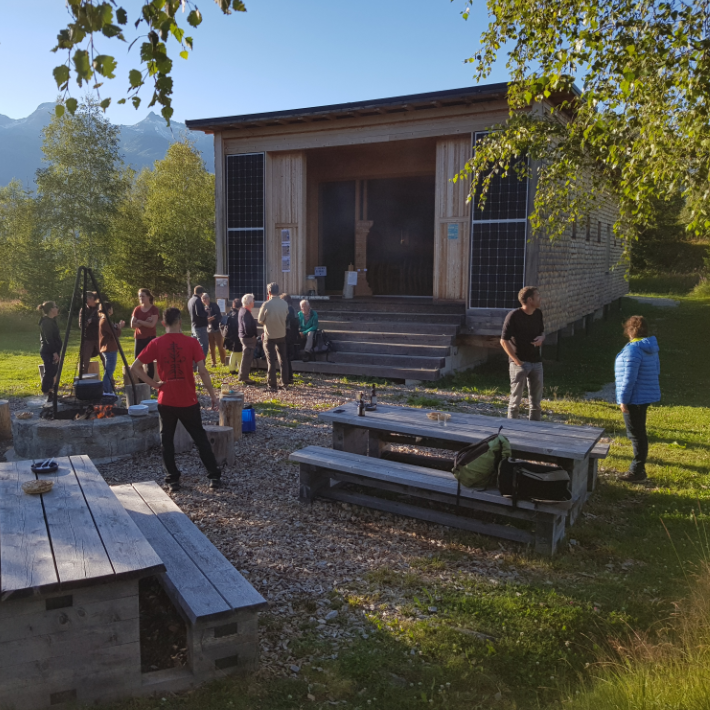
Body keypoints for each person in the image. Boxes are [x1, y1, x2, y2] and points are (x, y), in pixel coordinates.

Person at [130, 307, 222, 492]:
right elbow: (202, 371)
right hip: (187, 399)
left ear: (163, 323)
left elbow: (135, 367)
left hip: (166, 400)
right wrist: (213, 395)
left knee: (167, 441)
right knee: (200, 438)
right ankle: (214, 477)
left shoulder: (156, 343)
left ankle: (172, 479)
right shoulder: (192, 342)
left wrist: (155, 385)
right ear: (180, 322)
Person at [614, 315, 661, 482]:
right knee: (639, 432)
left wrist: (623, 400)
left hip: (634, 398)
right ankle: (639, 469)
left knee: (636, 434)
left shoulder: (632, 350)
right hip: (644, 396)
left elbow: (629, 378)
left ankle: (637, 471)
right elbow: (656, 371)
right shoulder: (650, 348)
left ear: (630, 331)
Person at [500, 286, 546, 420]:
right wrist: (516, 361)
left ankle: (534, 431)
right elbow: (503, 341)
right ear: (530, 299)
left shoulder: (538, 314)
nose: (540, 298)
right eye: (537, 296)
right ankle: (511, 431)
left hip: (536, 362)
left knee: (536, 403)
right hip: (519, 363)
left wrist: (542, 338)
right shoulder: (513, 316)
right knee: (515, 402)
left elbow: (542, 332)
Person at [257, 282, 291, 391]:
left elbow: (260, 320)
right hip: (282, 334)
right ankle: (285, 382)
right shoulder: (284, 304)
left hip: (269, 335)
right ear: (278, 291)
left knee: (271, 360)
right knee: (283, 359)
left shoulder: (266, 304)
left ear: (269, 292)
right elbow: (286, 316)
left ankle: (272, 385)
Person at [131, 288, 160, 379]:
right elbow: (132, 325)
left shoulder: (154, 309)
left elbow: (152, 325)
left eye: (143, 296)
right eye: (140, 296)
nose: (141, 298)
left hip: (150, 338)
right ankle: (141, 381)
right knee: (138, 359)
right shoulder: (137, 309)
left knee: (149, 361)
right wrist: (144, 322)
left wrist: (139, 321)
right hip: (139, 337)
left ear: (148, 297)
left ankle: (150, 381)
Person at [98, 302, 125, 393]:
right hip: (109, 348)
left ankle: (108, 390)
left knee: (109, 370)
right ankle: (106, 391)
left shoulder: (104, 319)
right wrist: (119, 327)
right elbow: (115, 333)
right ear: (109, 310)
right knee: (109, 371)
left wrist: (116, 327)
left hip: (108, 348)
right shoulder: (105, 320)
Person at [38, 301, 62, 401]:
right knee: (50, 371)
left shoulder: (52, 320)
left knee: (53, 371)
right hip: (48, 351)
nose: (57, 309)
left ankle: (51, 392)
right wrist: (54, 352)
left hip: (54, 350)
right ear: (51, 309)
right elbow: (48, 339)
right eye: (55, 307)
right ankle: (46, 392)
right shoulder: (46, 322)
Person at [78, 291, 102, 374]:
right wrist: (87, 323)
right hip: (88, 339)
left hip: (100, 338)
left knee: (105, 360)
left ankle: (110, 381)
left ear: (92, 298)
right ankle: (83, 380)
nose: (86, 301)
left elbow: (103, 321)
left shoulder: (100, 308)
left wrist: (93, 320)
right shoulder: (83, 310)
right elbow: (81, 325)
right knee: (85, 361)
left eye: (87, 299)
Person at [201, 292, 226, 367]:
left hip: (216, 328)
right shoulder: (203, 308)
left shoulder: (214, 305)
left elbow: (218, 315)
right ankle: (213, 362)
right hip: (208, 330)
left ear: (209, 298)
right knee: (211, 347)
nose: (204, 300)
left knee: (220, 345)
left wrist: (210, 319)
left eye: (205, 298)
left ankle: (223, 361)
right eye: (203, 299)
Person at [237, 293, 258, 384]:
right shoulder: (246, 312)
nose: (254, 302)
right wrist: (252, 335)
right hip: (247, 338)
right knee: (247, 357)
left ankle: (242, 375)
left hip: (243, 336)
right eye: (253, 301)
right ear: (249, 302)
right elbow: (247, 326)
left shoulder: (242, 310)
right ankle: (244, 377)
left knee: (245, 357)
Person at [187, 285, 209, 361]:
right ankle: (201, 366)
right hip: (200, 326)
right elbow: (199, 313)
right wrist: (206, 312)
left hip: (193, 326)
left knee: (194, 347)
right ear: (201, 293)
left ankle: (193, 365)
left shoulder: (191, 300)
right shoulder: (197, 300)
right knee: (204, 346)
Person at [281, 294, 300, 363]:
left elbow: (289, 320)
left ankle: (291, 356)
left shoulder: (289, 309)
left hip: (291, 331)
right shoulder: (291, 308)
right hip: (292, 330)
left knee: (289, 344)